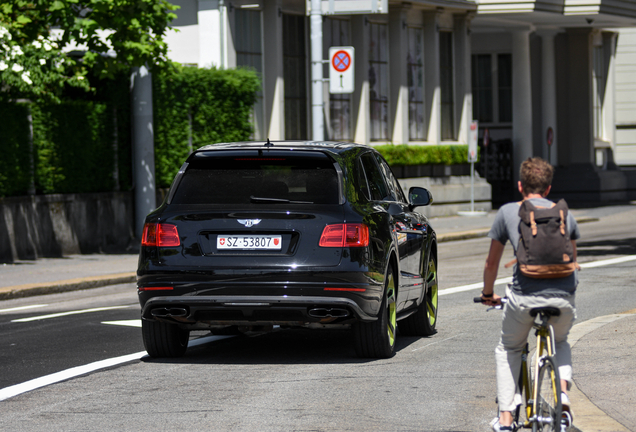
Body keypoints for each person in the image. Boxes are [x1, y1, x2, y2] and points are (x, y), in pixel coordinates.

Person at [480, 157, 579, 431]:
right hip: (564, 296)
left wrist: (488, 293)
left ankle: (506, 418)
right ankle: (565, 401)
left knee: (508, 348)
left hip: (524, 296)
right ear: (548, 189)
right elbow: (573, 261)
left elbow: (491, 264)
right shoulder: (564, 214)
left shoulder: (508, 212)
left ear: (520, 185)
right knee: (561, 343)